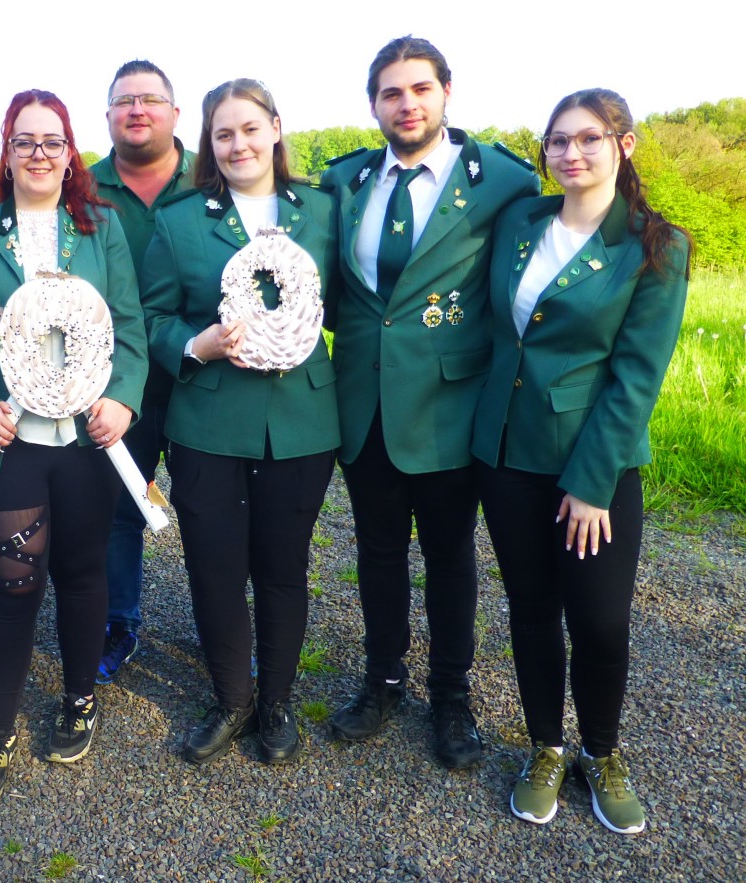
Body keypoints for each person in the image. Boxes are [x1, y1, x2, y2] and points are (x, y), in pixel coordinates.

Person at [319, 36, 539, 769]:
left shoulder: (500, 182)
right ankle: (383, 680)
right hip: (366, 400)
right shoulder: (345, 183)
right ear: (374, 104)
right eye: (390, 92)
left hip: (448, 404)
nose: (406, 103)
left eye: (419, 89)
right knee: (377, 552)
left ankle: (452, 694)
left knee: (448, 554)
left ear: (447, 92)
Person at [474, 89, 690, 834]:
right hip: (505, 451)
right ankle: (545, 745)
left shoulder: (654, 244)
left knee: (598, 619)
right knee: (530, 608)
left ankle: (602, 750)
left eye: (588, 139)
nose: (571, 154)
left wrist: (593, 483)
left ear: (623, 145)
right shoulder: (521, 222)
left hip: (593, 466)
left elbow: (638, 375)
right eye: (557, 141)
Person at [0, 89, 147, 803]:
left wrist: (122, 398)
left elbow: (131, 328)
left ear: (70, 151)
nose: (38, 154)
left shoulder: (100, 230)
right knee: (12, 583)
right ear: (6, 150)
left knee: (84, 572)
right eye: (24, 141)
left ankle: (79, 699)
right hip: (8, 443)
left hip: (87, 439)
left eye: (52, 141)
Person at [141, 79, 340, 765]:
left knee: (283, 567)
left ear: (276, 129)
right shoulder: (181, 220)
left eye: (250, 129)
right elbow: (152, 317)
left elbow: (350, 303)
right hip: (209, 422)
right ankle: (232, 698)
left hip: (300, 419)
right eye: (223, 134)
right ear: (208, 144)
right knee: (216, 568)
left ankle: (277, 701)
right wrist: (196, 346)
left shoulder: (320, 212)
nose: (239, 144)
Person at [90, 59, 195, 684]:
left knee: (211, 513)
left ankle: (221, 629)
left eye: (150, 99)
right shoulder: (80, 187)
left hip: (202, 380)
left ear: (175, 114)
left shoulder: (212, 179)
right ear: (107, 115)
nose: (137, 110)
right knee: (117, 512)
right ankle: (118, 622)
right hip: (111, 387)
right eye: (124, 100)